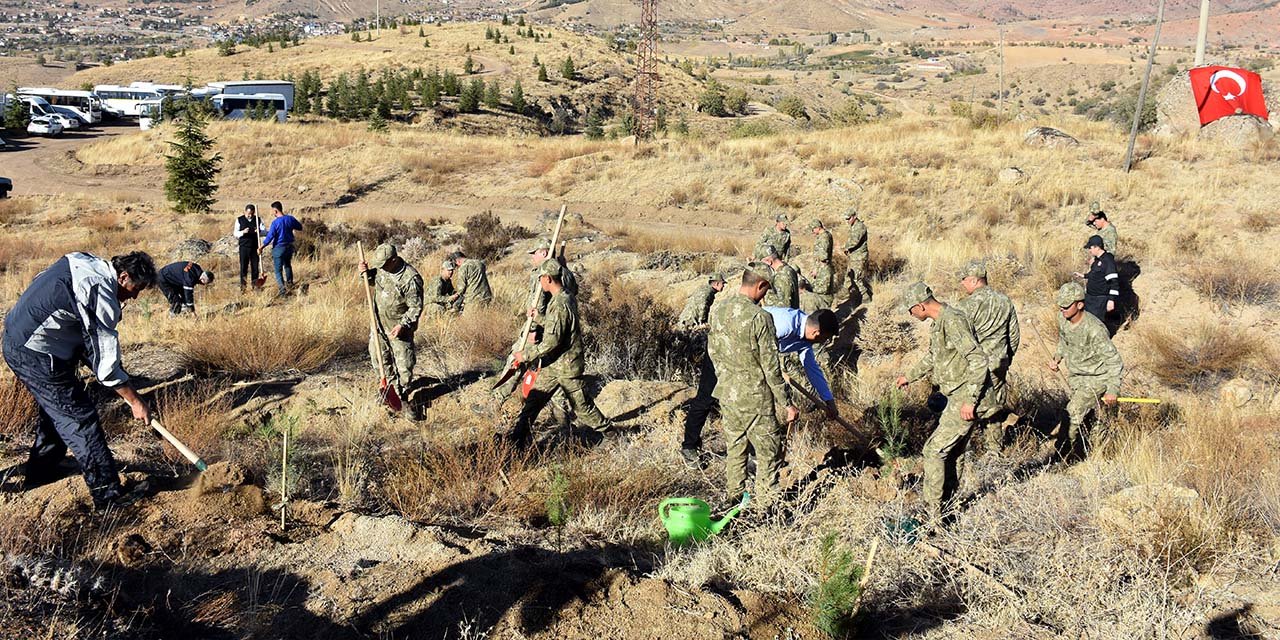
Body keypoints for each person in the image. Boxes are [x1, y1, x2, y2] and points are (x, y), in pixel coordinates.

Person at [2, 251, 157, 510]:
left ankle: (42, 473)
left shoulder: (85, 261)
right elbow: (106, 364)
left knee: (58, 411)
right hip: (35, 351)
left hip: (26, 338)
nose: (135, 295)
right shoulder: (100, 292)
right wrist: (135, 401)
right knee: (79, 418)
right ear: (123, 276)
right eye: (135, 288)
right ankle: (107, 496)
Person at [895, 282, 989, 525]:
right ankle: (947, 509)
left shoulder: (953, 321)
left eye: (910, 311)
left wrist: (970, 401)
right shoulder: (940, 323)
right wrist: (909, 376)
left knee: (933, 451)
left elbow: (978, 360)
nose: (911, 315)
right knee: (952, 453)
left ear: (919, 306)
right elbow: (933, 357)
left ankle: (932, 515)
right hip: (951, 396)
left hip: (962, 398)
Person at [706, 262, 798, 503]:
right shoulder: (760, 317)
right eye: (766, 291)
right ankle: (765, 508)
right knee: (769, 452)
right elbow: (771, 367)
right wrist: (787, 403)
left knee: (736, 450)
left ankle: (734, 504)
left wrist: (727, 380)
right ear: (761, 285)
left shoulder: (718, 311)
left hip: (727, 394)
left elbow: (713, 353)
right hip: (755, 398)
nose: (765, 296)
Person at [509, 259, 614, 447]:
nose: (540, 282)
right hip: (554, 364)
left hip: (567, 365)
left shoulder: (560, 304)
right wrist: (538, 317)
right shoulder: (565, 295)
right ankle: (517, 439)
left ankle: (610, 434)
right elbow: (557, 327)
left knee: (581, 406)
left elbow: (552, 341)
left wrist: (524, 355)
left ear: (548, 279)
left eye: (541, 278)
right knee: (533, 400)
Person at [1049, 282, 1122, 459]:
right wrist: (1058, 356)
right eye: (1060, 305)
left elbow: (1113, 361)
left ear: (1080, 305)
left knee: (1072, 413)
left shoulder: (1095, 329)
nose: (1062, 309)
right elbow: (1064, 340)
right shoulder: (1063, 319)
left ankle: (1064, 456)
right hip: (1076, 378)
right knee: (1086, 417)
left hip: (1096, 379)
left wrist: (1113, 389)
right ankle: (1098, 447)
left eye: (1066, 306)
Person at [953, 260, 1020, 453]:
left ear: (974, 281)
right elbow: (1013, 336)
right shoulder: (1005, 301)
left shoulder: (966, 305)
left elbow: (960, 338)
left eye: (964, 279)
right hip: (999, 362)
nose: (962, 283)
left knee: (968, 405)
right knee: (995, 407)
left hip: (975, 366)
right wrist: (1007, 358)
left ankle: (964, 449)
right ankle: (994, 449)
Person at [360, 243, 424, 413]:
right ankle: (390, 390)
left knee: (405, 365)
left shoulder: (410, 278)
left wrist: (403, 325)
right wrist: (365, 273)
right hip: (378, 324)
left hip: (399, 328)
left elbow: (416, 307)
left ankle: (401, 394)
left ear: (394, 260)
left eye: (382, 265)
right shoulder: (383, 268)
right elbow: (374, 281)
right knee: (379, 358)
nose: (379, 268)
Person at [762, 307, 840, 418]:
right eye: (826, 338)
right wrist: (788, 405)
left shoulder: (806, 339)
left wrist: (829, 401)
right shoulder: (786, 324)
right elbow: (761, 353)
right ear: (816, 333)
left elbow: (812, 369)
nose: (824, 342)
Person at [261, 201, 302, 296]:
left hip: (279, 248)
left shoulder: (275, 223)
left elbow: (270, 237)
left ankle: (282, 290)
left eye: (272, 211)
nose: (271, 213)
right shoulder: (290, 219)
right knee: (287, 265)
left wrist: (261, 247)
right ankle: (290, 284)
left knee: (278, 270)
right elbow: (299, 227)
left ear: (275, 210)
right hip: (289, 247)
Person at [1076, 235, 1119, 322]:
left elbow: (1114, 282)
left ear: (1097, 247)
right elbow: (1095, 274)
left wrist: (1111, 300)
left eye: (1090, 248)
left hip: (1100, 300)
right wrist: (1084, 276)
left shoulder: (1108, 261)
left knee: (1097, 323)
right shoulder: (1097, 260)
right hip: (1090, 298)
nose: (1090, 250)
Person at [234, 204, 265, 291]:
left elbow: (265, 232)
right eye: (248, 213)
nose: (250, 215)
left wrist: (259, 231)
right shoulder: (239, 220)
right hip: (244, 247)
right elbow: (235, 233)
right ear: (245, 212)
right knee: (243, 267)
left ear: (254, 212)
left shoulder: (258, 220)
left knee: (255, 267)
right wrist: (243, 232)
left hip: (255, 247)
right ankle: (243, 287)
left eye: (251, 213)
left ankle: (255, 286)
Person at [843, 208, 870, 304]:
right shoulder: (854, 226)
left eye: (849, 218)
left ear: (854, 217)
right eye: (846, 219)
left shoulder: (860, 227)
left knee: (856, 278)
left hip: (859, 257)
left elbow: (855, 241)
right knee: (849, 277)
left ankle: (865, 297)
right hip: (854, 256)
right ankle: (851, 297)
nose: (847, 221)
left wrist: (845, 248)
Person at [759, 244, 799, 309]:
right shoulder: (788, 269)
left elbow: (784, 305)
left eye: (763, 263)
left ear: (769, 261)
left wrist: (765, 298)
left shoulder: (782, 276)